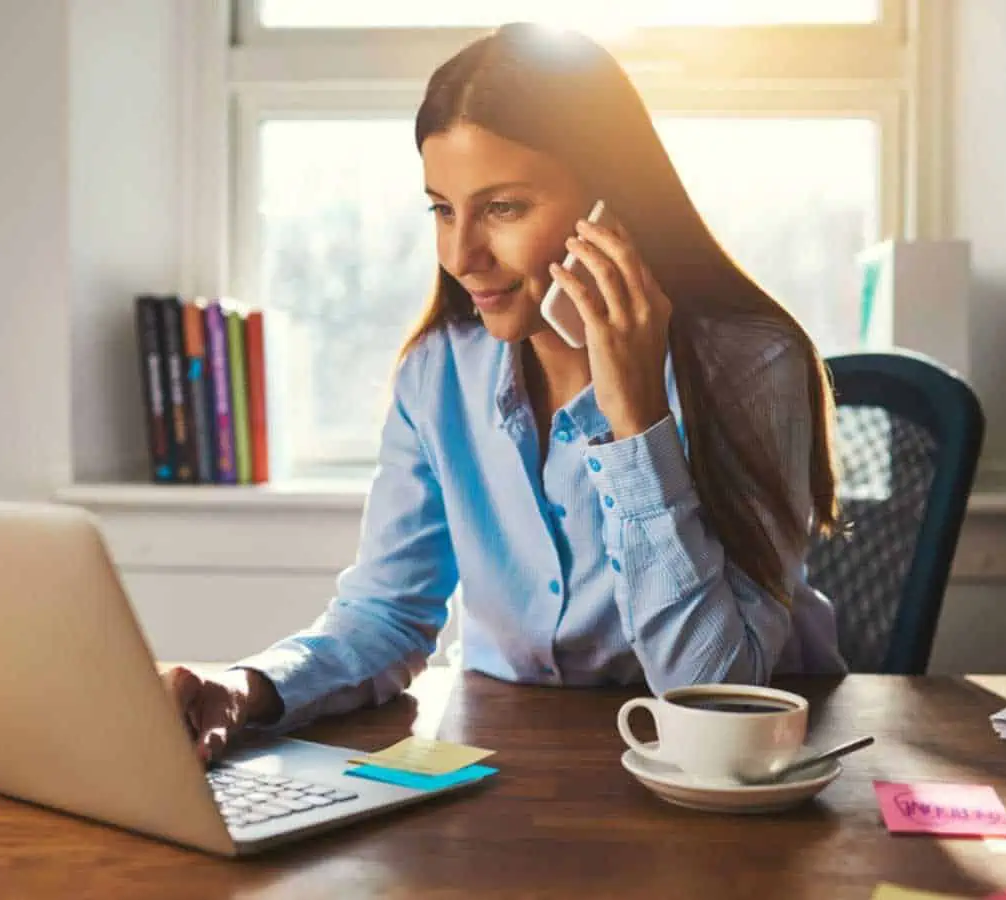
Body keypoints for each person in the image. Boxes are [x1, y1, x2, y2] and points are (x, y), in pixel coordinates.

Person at [164, 22, 847, 762]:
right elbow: (387, 616)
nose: (462, 255)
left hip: (734, 780)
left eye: (504, 208)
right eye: (442, 209)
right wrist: (245, 686)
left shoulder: (750, 364)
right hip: (506, 768)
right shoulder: (438, 372)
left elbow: (713, 689)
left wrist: (635, 419)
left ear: (610, 208)